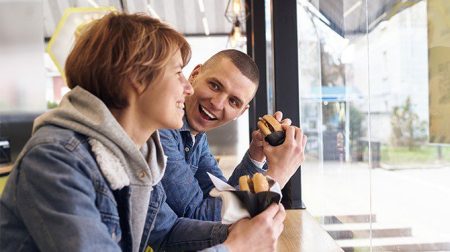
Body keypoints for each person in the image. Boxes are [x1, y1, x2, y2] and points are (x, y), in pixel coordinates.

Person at [0, 12, 286, 252]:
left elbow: (167, 230)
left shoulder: (137, 154)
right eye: (177, 73)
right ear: (138, 77)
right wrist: (235, 246)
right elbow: (197, 213)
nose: (187, 88)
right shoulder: (55, 159)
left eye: (234, 101)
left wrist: (242, 234)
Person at [159, 49, 307, 221]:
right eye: (214, 85)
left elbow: (221, 197)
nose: (217, 103)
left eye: (233, 101)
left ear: (241, 112)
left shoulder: (198, 137)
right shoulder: (161, 129)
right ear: (194, 75)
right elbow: (200, 214)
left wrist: (256, 155)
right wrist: (279, 174)